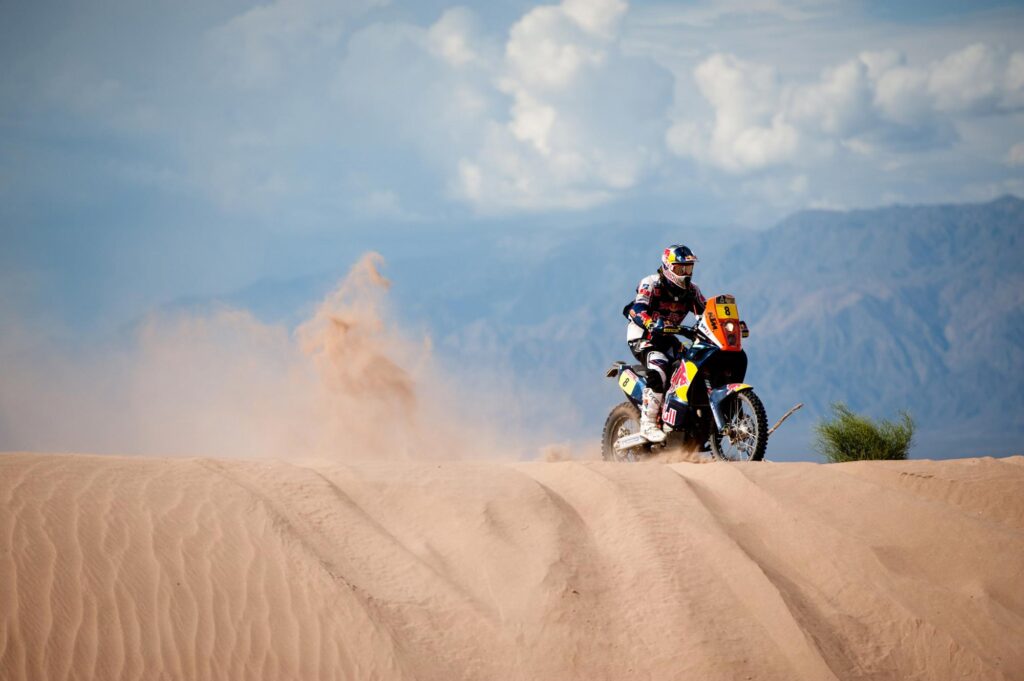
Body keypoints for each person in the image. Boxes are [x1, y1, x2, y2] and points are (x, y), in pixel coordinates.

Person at [624, 245, 707, 443]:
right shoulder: (651, 283)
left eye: (688, 268)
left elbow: (705, 314)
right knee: (659, 367)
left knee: (691, 367)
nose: (685, 274)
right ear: (668, 267)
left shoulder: (692, 291)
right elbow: (636, 308)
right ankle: (648, 424)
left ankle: (683, 419)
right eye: (681, 269)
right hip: (643, 337)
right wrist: (650, 322)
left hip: (668, 338)